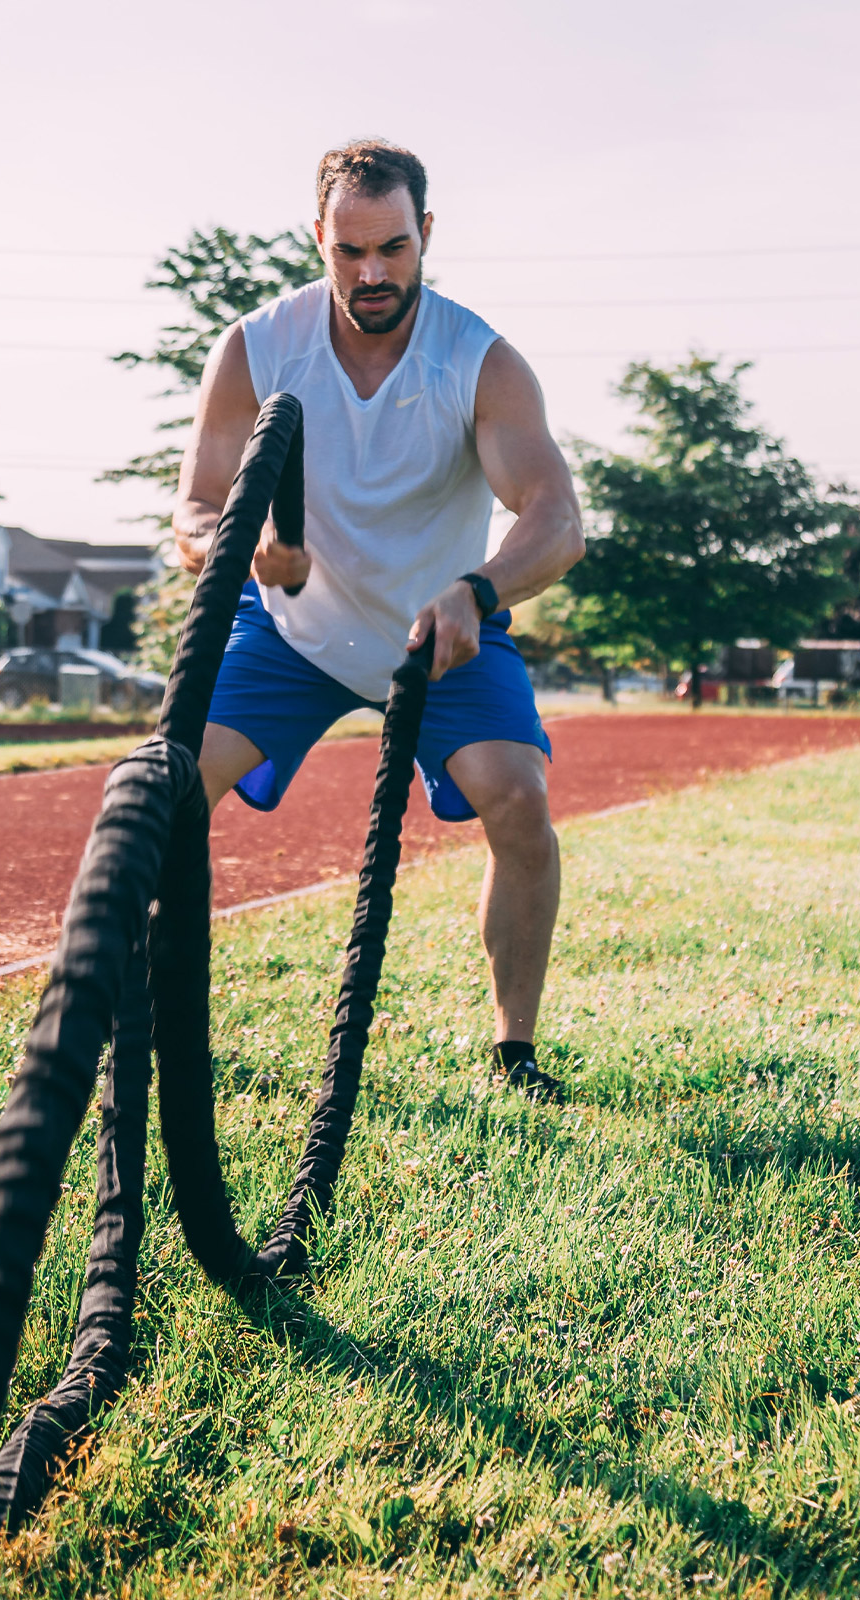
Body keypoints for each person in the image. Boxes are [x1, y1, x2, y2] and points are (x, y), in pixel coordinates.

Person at [173, 138, 585, 1101]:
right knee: (171, 789)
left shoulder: (477, 358)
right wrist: (234, 546)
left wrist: (477, 591)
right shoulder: (255, 346)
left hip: (439, 631)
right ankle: (151, 1012)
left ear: (425, 235)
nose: (371, 273)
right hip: (290, 624)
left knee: (520, 806)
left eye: (393, 249)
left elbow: (557, 520)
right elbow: (192, 509)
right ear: (317, 238)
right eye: (349, 251)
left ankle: (513, 1052)